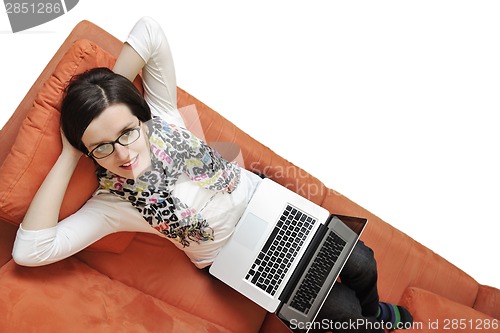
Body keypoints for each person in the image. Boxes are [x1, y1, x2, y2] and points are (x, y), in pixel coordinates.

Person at [12, 16, 412, 332]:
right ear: (89, 152)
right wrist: (70, 152)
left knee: (363, 262)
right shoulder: (113, 204)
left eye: (127, 132)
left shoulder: (164, 116)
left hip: (269, 206)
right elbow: (30, 252)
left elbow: (149, 30)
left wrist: (109, 91)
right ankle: (368, 324)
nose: (123, 153)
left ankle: (375, 315)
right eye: (102, 147)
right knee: (340, 312)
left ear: (142, 119)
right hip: (233, 254)